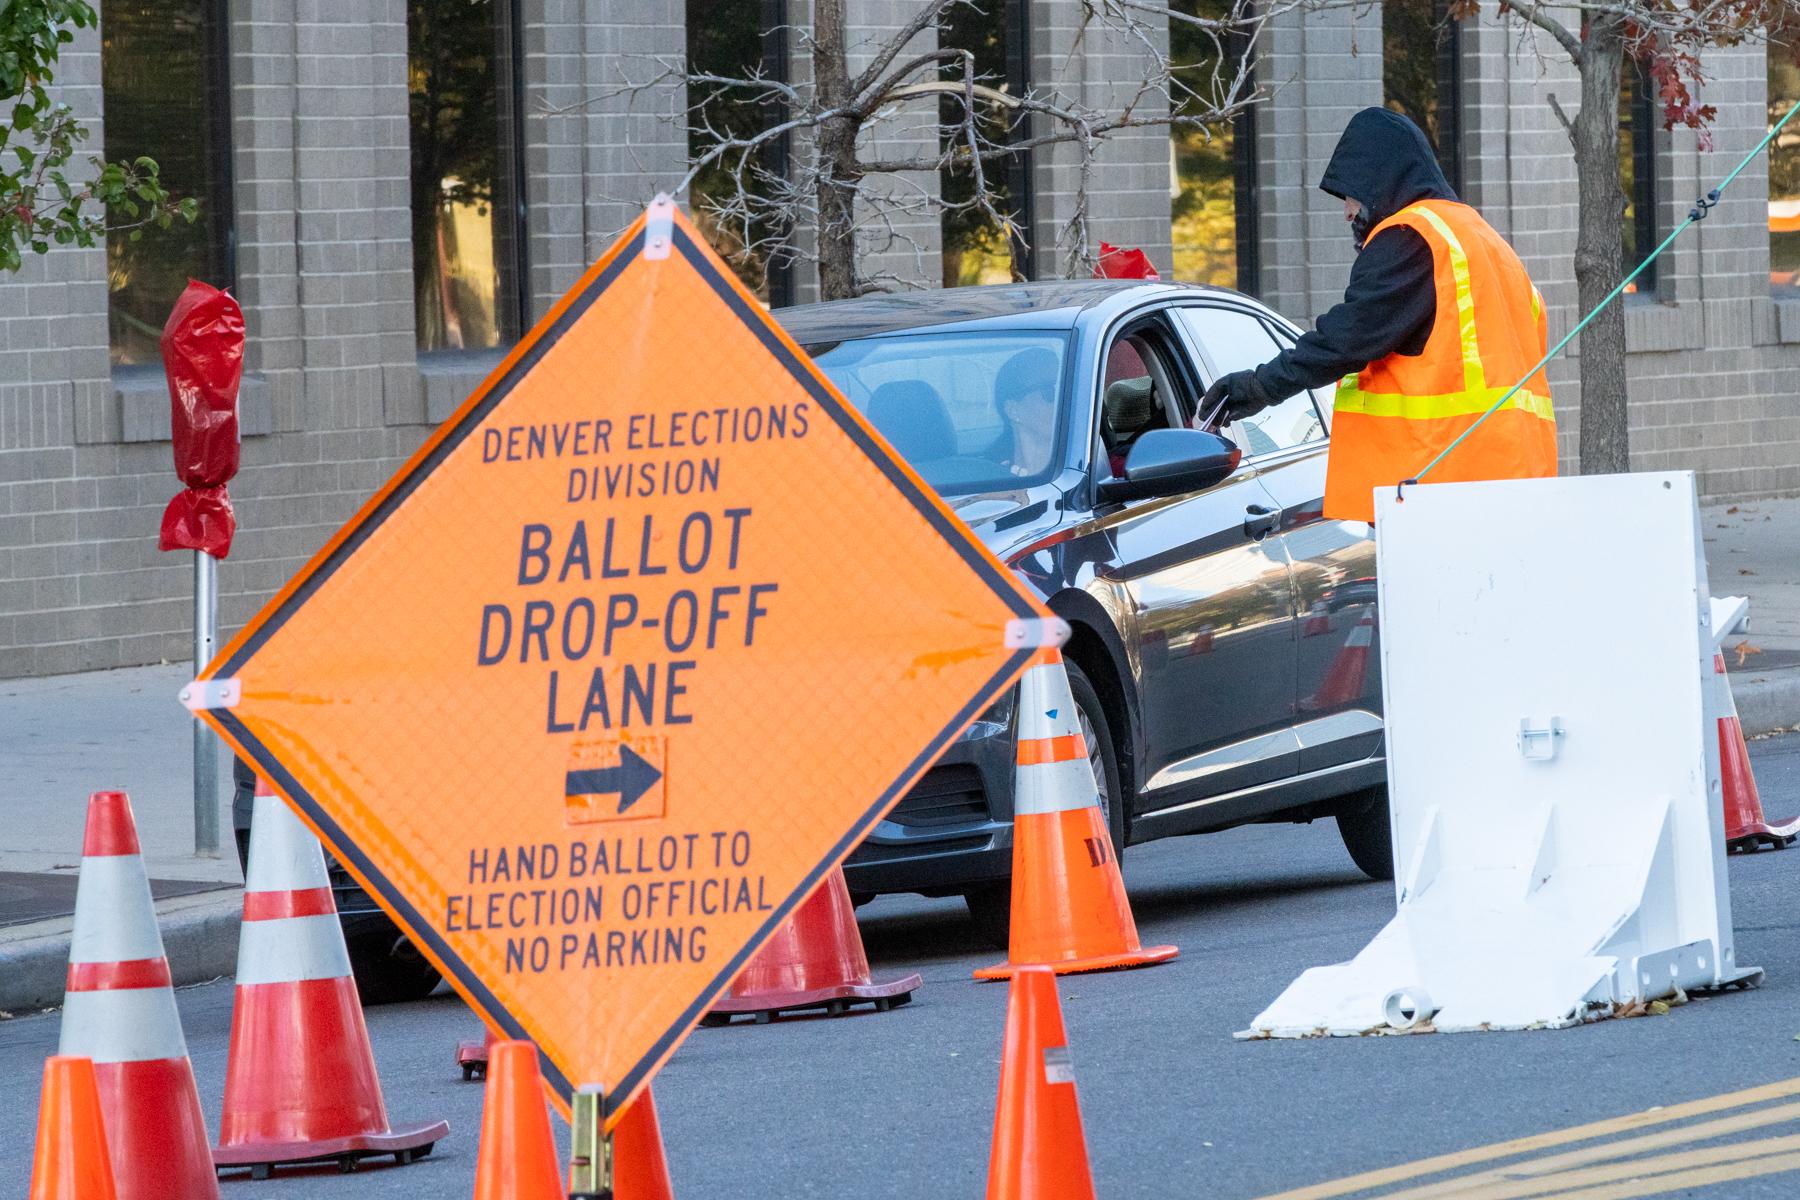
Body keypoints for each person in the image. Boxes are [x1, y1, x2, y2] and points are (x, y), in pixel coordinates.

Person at [1200, 107, 1558, 523]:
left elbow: (1348, 337)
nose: (1348, 213)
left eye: (1351, 196)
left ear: (1379, 182)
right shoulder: (1483, 240)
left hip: (1443, 481)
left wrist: (1257, 386)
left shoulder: (1412, 236)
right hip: (1513, 475)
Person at [991, 346, 1060, 478]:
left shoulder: (1088, 459)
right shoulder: (990, 477)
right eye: (1050, 391)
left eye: (1062, 388)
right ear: (1012, 410)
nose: (1063, 398)